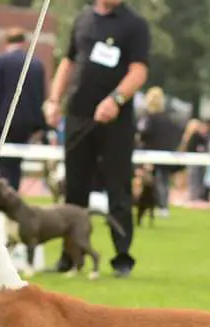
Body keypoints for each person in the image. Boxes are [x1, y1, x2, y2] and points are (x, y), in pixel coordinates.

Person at [45, 0, 151, 278]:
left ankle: (122, 258)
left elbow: (139, 70)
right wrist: (54, 100)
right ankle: (70, 257)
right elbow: (68, 62)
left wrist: (116, 99)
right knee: (74, 189)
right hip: (78, 115)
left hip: (115, 121)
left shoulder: (134, 24)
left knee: (118, 188)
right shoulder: (82, 19)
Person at [0, 28, 48, 191]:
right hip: (26, 123)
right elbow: (40, 95)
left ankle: (4, 196)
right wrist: (40, 125)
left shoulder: (1, 61)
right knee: (16, 163)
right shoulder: (36, 64)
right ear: (23, 42)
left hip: (4, 121)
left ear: (6, 42)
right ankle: (13, 194)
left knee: (3, 163)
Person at [135, 86, 180, 217]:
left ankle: (153, 205)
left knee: (150, 182)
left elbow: (143, 134)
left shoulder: (147, 118)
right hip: (166, 154)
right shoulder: (168, 118)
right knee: (163, 181)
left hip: (149, 154)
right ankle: (163, 206)